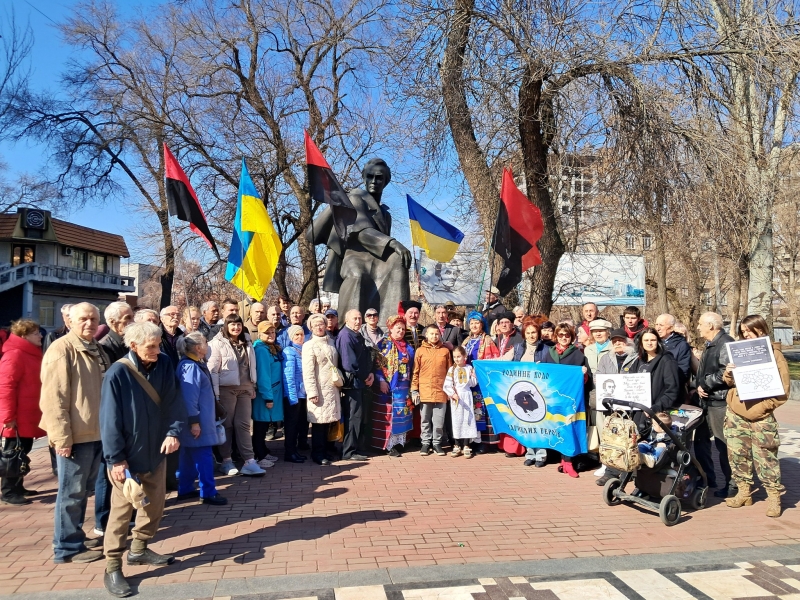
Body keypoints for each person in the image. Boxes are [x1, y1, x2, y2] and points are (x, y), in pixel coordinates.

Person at [99, 322, 185, 597]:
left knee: (155, 505)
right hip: (126, 458)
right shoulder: (117, 373)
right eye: (151, 346)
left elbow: (174, 401)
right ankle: (113, 566)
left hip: (156, 451)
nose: (157, 351)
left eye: (158, 345)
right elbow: (109, 420)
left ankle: (139, 549)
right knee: (121, 513)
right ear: (133, 345)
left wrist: (173, 432)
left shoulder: (164, 364)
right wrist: (116, 459)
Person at [40, 302, 109, 564]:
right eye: (83, 319)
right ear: (70, 321)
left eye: (93, 319)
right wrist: (61, 438)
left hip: (95, 432)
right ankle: (67, 547)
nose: (89, 323)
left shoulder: (96, 348)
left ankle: (74, 535)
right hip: (75, 436)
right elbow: (53, 399)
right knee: (71, 493)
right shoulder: (62, 350)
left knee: (82, 491)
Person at [307, 158, 412, 319]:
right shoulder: (354, 198)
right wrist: (393, 243)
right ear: (363, 177)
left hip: (376, 259)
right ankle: (348, 324)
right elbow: (361, 232)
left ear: (386, 181)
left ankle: (393, 323)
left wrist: (393, 248)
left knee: (398, 260)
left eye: (379, 178)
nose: (374, 181)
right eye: (370, 176)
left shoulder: (386, 215)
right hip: (355, 257)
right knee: (358, 274)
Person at [723, 315, 790, 517]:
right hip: (736, 413)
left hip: (761, 417)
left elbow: (783, 391)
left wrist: (762, 408)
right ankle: (744, 492)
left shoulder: (775, 355)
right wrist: (729, 373)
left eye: (749, 330)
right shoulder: (740, 352)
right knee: (737, 454)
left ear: (760, 329)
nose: (745, 334)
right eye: (743, 331)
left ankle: (774, 497)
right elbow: (730, 383)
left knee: (766, 457)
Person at [208, 314, 265, 477]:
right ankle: (226, 461)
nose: (236, 327)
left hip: (245, 388)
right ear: (226, 326)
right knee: (227, 425)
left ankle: (249, 461)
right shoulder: (216, 344)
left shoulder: (247, 341)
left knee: (244, 424)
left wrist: (252, 385)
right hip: (226, 389)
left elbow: (251, 366)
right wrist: (216, 395)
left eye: (238, 324)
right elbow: (212, 371)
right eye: (232, 324)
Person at [175, 332, 228, 505]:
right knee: (204, 456)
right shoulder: (190, 367)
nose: (208, 344)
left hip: (198, 419)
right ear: (198, 347)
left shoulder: (193, 364)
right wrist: (194, 422)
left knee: (187, 455)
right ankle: (208, 492)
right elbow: (189, 398)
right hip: (199, 420)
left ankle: (185, 488)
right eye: (205, 342)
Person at [0, 319, 45, 505]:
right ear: (24, 336)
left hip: (27, 414)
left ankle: (18, 486)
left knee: (22, 451)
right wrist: (8, 417)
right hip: (17, 417)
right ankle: (8, 491)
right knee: (12, 454)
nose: (40, 336)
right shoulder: (15, 355)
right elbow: (5, 387)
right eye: (36, 333)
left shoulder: (29, 353)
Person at [542, 322, 592, 478]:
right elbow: (544, 374)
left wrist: (583, 374)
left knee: (569, 428)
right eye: (561, 335)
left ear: (572, 337)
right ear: (556, 336)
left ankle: (569, 462)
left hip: (570, 399)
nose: (564, 338)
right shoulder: (549, 353)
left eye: (567, 335)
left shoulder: (578, 354)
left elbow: (586, 380)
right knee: (557, 428)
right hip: (553, 398)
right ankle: (563, 460)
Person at [694, 311, 736, 498]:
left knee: (723, 444)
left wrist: (706, 384)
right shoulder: (711, 344)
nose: (698, 327)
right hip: (707, 401)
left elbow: (727, 373)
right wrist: (698, 386)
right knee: (701, 441)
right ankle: (707, 479)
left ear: (710, 326)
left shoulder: (725, 343)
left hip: (720, 402)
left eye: (700, 324)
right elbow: (704, 371)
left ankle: (732, 484)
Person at [500, 318, 549, 464]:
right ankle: (530, 453)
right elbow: (502, 361)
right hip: (521, 392)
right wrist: (479, 363)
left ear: (538, 333)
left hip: (538, 393)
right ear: (524, 334)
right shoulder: (518, 348)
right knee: (526, 423)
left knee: (539, 423)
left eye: (533, 332)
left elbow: (554, 368)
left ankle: (541, 455)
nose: (531, 335)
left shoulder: (546, 350)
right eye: (528, 333)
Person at [595, 328, 637, 485]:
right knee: (612, 438)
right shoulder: (606, 358)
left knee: (630, 438)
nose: (618, 343)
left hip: (631, 405)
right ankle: (610, 471)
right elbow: (598, 375)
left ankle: (629, 471)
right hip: (611, 406)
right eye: (614, 341)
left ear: (627, 342)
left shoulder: (636, 357)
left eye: (621, 340)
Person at [372, 315, 415, 457]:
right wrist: (381, 380)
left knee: (402, 415)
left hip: (404, 388)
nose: (401, 331)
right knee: (390, 417)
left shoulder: (407, 346)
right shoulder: (383, 344)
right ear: (390, 328)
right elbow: (377, 365)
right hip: (389, 387)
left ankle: (399, 443)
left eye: (403, 329)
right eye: (398, 328)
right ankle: (389, 445)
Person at [302, 315, 342, 466]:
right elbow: (308, 372)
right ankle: (317, 453)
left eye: (321, 324)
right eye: (315, 325)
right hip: (319, 389)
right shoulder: (309, 346)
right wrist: (312, 392)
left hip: (332, 388)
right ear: (311, 328)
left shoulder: (331, 342)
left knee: (329, 422)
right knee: (319, 422)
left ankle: (326, 450)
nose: (319, 327)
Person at [336, 310, 374, 461]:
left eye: (359, 318)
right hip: (352, 384)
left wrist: (369, 373)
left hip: (359, 382)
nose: (358, 321)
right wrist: (365, 376)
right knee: (353, 417)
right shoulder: (346, 336)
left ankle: (355, 447)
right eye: (354, 319)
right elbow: (349, 364)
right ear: (346, 320)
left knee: (357, 417)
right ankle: (349, 451)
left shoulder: (356, 334)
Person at [623, 327, 682, 422]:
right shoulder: (638, 361)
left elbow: (672, 390)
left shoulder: (667, 360)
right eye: (646, 340)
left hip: (656, 414)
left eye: (653, 340)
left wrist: (656, 408)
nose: (649, 343)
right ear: (641, 343)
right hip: (637, 412)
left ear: (658, 341)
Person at [412, 325, 453, 456]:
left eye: (436, 334)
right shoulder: (420, 351)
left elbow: (450, 372)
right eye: (431, 334)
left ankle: (437, 443)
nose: (434, 336)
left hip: (441, 391)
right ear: (426, 335)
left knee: (439, 421)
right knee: (425, 420)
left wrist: (450, 390)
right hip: (425, 391)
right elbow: (415, 372)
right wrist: (414, 390)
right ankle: (425, 443)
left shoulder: (445, 351)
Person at [463, 311, 500, 452]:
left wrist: (479, 370)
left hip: (481, 381)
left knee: (481, 410)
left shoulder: (488, 340)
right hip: (468, 381)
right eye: (471, 323)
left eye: (477, 323)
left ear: (482, 325)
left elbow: (494, 360)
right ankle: (471, 438)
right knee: (471, 409)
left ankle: (484, 441)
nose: (474, 326)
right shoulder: (466, 341)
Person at [252, 321, 284, 468]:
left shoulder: (270, 347)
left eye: (272, 332)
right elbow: (263, 375)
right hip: (265, 394)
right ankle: (259, 455)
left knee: (264, 424)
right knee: (260, 425)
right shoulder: (261, 350)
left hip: (272, 391)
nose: (271, 335)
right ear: (259, 334)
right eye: (267, 332)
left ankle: (263, 451)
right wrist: (268, 397)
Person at [443, 346, 478, 458]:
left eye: (459, 356)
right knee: (457, 420)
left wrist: (474, 376)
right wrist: (452, 394)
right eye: (455, 357)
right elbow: (447, 385)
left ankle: (466, 445)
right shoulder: (452, 370)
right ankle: (457, 444)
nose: (457, 359)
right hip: (456, 397)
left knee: (467, 419)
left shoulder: (469, 368)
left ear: (464, 357)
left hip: (467, 396)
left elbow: (473, 383)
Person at [281, 325, 308, 463]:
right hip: (293, 394)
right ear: (291, 337)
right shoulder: (289, 351)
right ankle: (290, 452)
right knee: (291, 425)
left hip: (303, 394)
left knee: (299, 424)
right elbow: (288, 376)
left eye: (301, 334)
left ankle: (295, 451)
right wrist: (292, 397)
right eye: (296, 335)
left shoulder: (304, 350)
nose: (299, 337)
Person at [654, 313, 692, 386]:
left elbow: (684, 372)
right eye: (656, 324)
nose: (657, 328)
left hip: (670, 387)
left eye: (661, 325)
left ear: (671, 328)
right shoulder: (652, 343)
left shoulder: (681, 345)